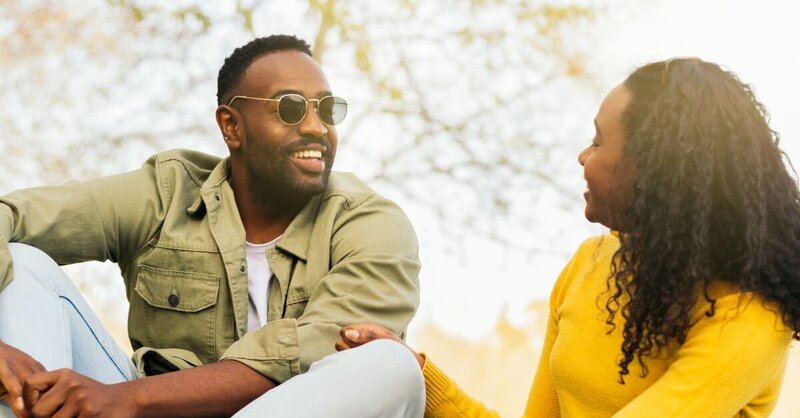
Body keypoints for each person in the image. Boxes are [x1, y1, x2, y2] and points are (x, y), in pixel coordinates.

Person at [336, 57, 800, 417]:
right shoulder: (592, 262)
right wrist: (414, 372)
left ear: (656, 171)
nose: (583, 156)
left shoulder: (751, 317)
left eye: (598, 141)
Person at [0, 35, 424, 417]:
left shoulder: (371, 222)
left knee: (390, 364)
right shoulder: (166, 196)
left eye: (327, 108)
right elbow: (12, 215)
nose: (316, 127)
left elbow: (310, 352)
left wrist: (127, 399)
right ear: (231, 126)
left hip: (147, 406)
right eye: (290, 108)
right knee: (23, 263)